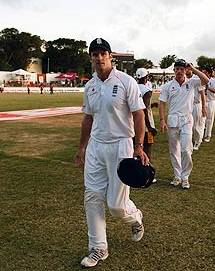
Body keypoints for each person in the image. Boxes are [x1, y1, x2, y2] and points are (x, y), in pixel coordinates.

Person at [75, 38, 149, 268]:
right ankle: (98, 248)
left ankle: (135, 218)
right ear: (91, 58)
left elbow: (139, 115)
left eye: (102, 53)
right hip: (96, 146)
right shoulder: (90, 86)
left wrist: (138, 146)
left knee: (116, 207)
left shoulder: (126, 81)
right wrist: (82, 148)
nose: (99, 57)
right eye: (94, 54)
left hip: (121, 146)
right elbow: (88, 117)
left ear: (110, 56)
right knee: (92, 197)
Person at [159, 59, 209, 189]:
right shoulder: (168, 86)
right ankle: (177, 175)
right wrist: (162, 120)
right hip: (172, 120)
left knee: (186, 150)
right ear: (174, 70)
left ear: (186, 70)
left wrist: (193, 68)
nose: (180, 71)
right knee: (174, 150)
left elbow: (206, 80)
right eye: (177, 69)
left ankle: (185, 177)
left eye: (182, 69)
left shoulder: (192, 82)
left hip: (186, 119)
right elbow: (162, 103)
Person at [135, 68, 158, 181]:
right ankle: (146, 174)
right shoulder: (147, 90)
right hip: (145, 124)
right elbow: (143, 109)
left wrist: (151, 105)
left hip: (133, 123)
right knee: (147, 148)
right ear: (146, 77)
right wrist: (150, 127)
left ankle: (136, 172)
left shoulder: (133, 87)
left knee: (135, 148)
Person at [185, 66, 206, 151]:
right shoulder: (184, 79)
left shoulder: (196, 79)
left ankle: (197, 141)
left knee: (196, 126)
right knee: (187, 125)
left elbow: (202, 94)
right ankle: (188, 142)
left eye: (188, 69)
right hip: (187, 105)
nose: (187, 71)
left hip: (196, 104)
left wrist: (204, 107)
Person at [202, 67, 215, 143]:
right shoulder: (200, 80)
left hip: (210, 101)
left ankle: (207, 135)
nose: (203, 74)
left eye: (205, 72)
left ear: (209, 73)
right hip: (202, 102)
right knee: (201, 119)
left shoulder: (213, 81)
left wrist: (208, 88)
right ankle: (200, 135)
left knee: (209, 119)